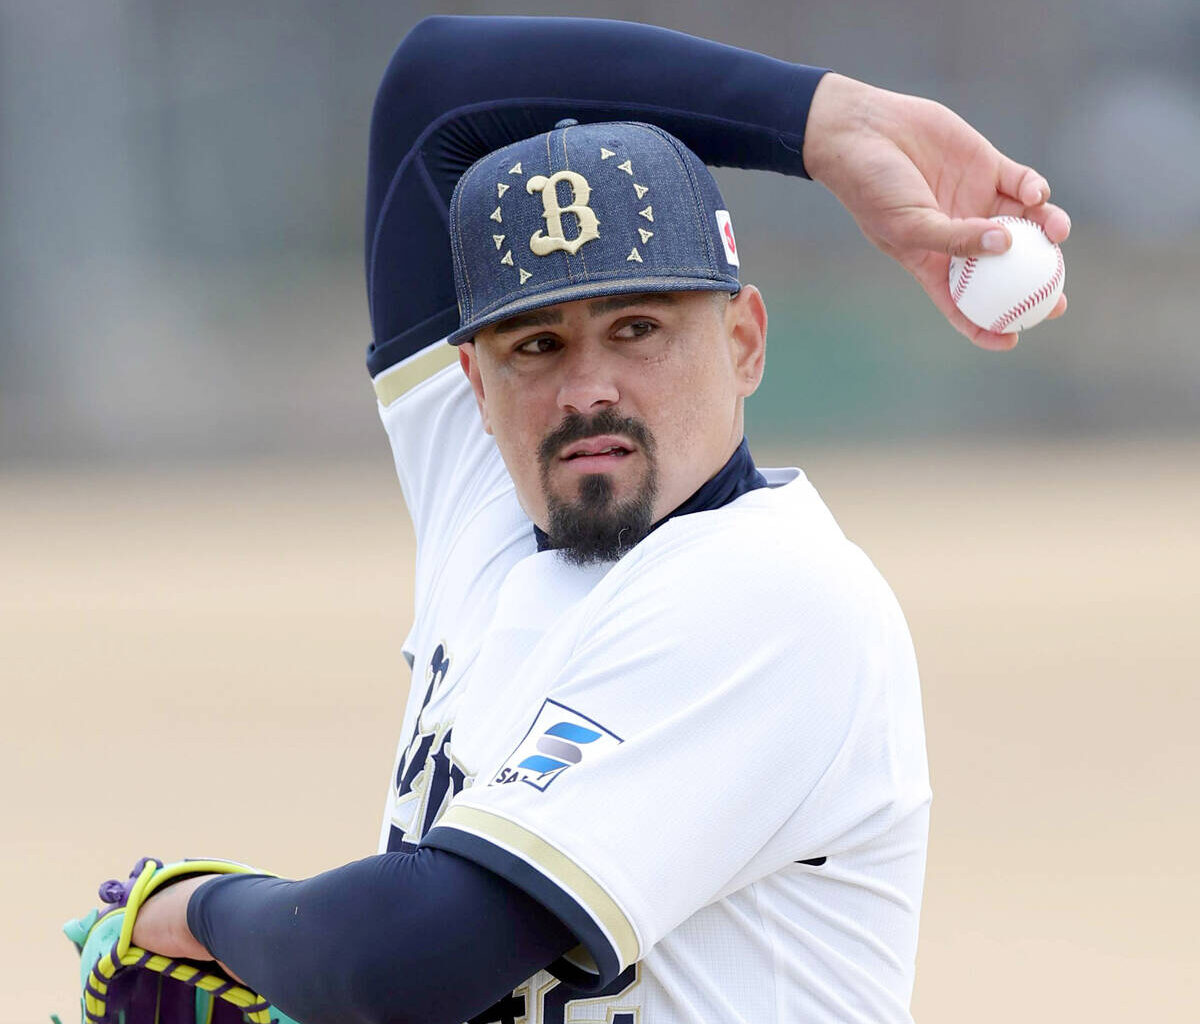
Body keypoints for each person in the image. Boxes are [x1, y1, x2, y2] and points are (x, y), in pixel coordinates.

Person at [128, 16, 1071, 1024]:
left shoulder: (771, 593)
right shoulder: (489, 509)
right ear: (474, 384)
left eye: (638, 328)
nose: (587, 389)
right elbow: (435, 96)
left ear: (745, 341)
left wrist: (194, 906)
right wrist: (824, 123)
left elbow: (400, 963)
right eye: (536, 344)